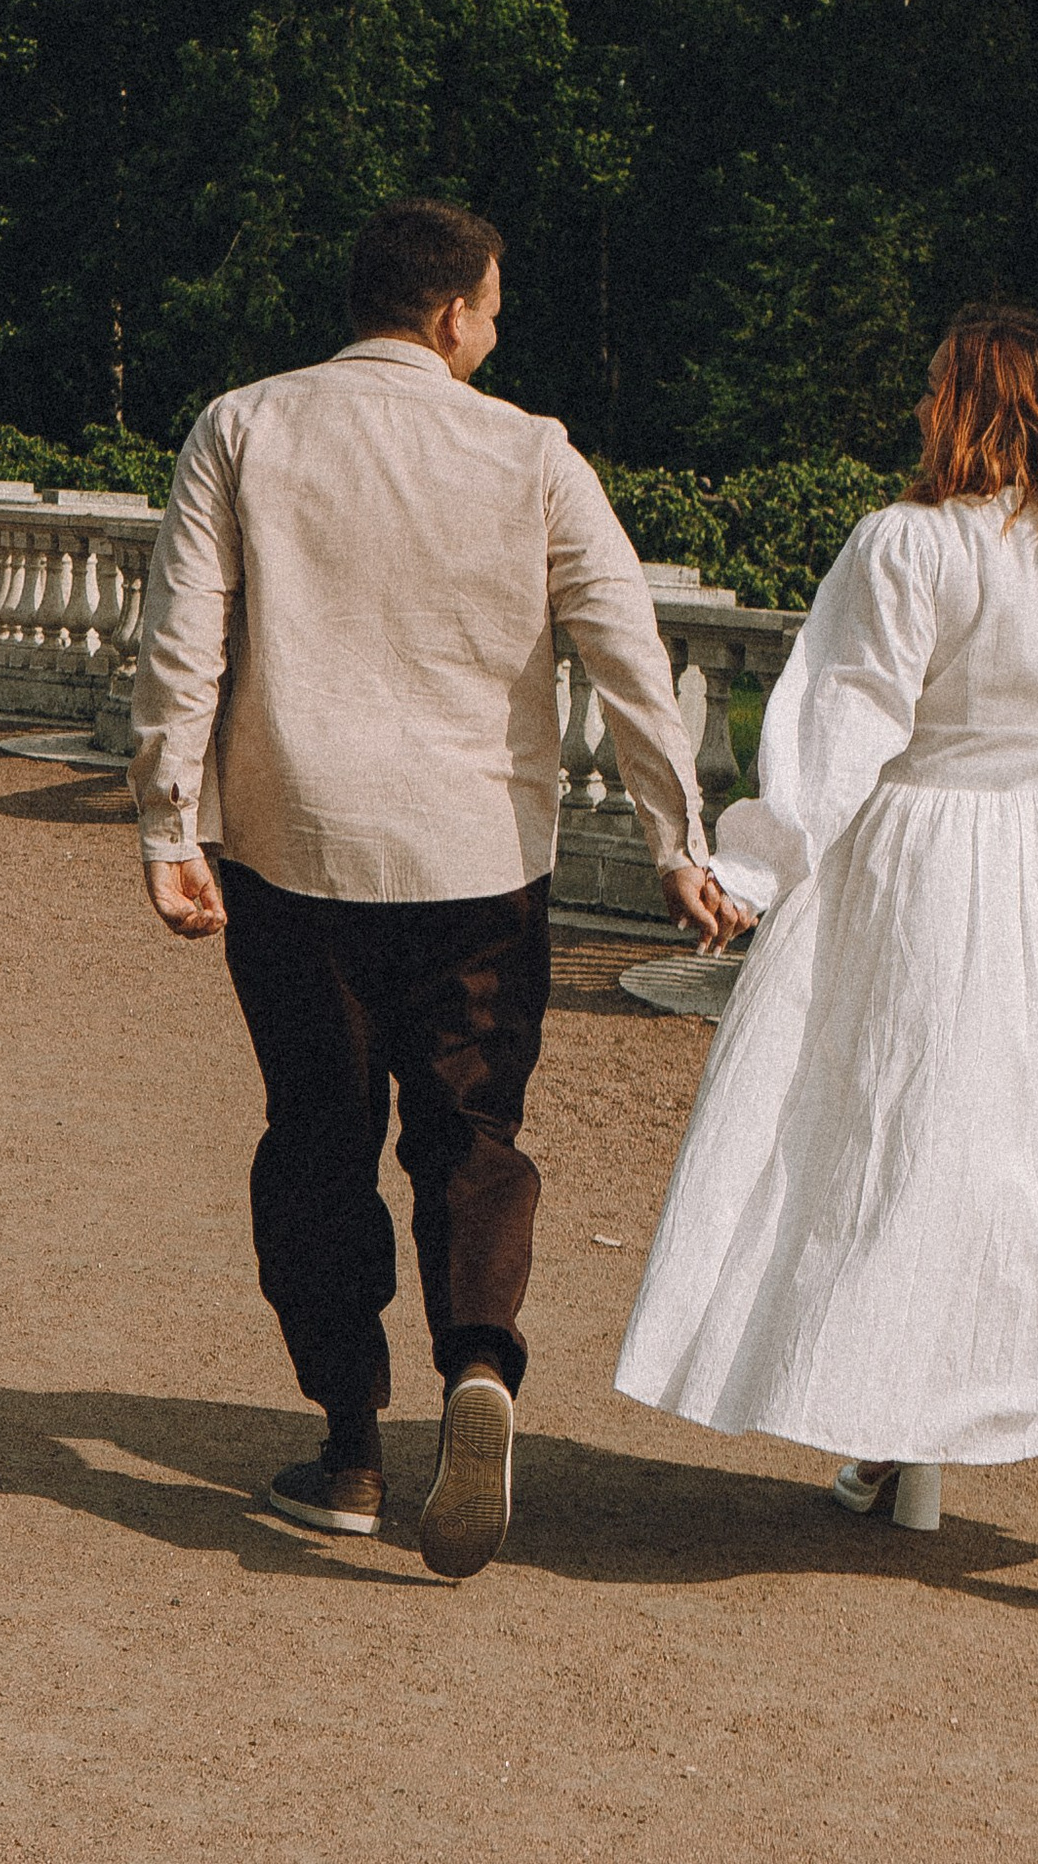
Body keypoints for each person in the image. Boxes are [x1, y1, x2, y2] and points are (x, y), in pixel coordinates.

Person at [131, 196, 739, 1577]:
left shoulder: (242, 427)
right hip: (479, 860)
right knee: (474, 1134)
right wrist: (676, 841)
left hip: (298, 852)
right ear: (454, 312)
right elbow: (628, 654)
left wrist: (171, 823)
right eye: (496, 304)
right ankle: (481, 1367)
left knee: (318, 1139)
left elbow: (184, 646)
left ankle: (349, 1448)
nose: (498, 326)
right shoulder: (530, 451)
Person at [615, 306, 1038, 1598]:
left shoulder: (907, 545)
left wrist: (750, 871)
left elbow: (842, 724)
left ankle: (909, 1435)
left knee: (913, 1147)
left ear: (961, 406)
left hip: (940, 864)